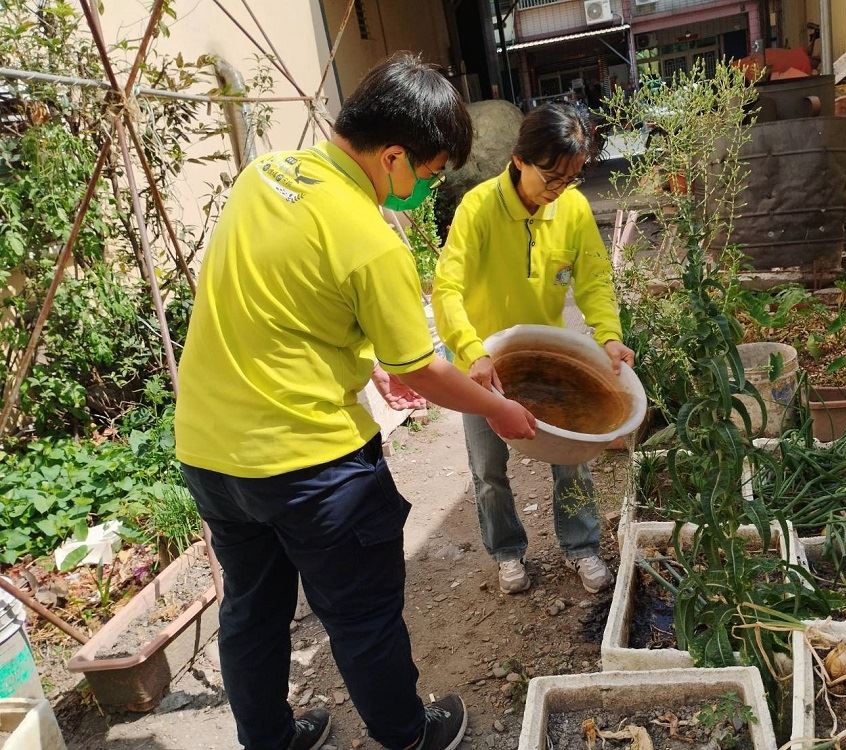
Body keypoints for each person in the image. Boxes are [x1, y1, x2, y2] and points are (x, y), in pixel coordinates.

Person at [175, 54, 536, 750]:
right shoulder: (371, 239)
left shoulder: (264, 175)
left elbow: (285, 299)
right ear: (394, 155)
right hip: (309, 468)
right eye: (428, 176)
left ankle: (271, 740)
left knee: (251, 611)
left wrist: (367, 362)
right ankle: (408, 735)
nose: (425, 192)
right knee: (361, 616)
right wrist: (499, 411)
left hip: (211, 455)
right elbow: (427, 373)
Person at [431, 103, 634, 596]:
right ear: (520, 159)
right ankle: (506, 552)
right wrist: (471, 350)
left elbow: (593, 280)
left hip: (547, 363)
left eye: (571, 177)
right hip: (483, 367)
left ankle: (582, 546)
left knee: (573, 460)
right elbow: (446, 288)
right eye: (551, 176)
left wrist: (608, 334)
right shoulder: (478, 208)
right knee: (487, 470)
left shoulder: (573, 209)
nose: (559, 188)